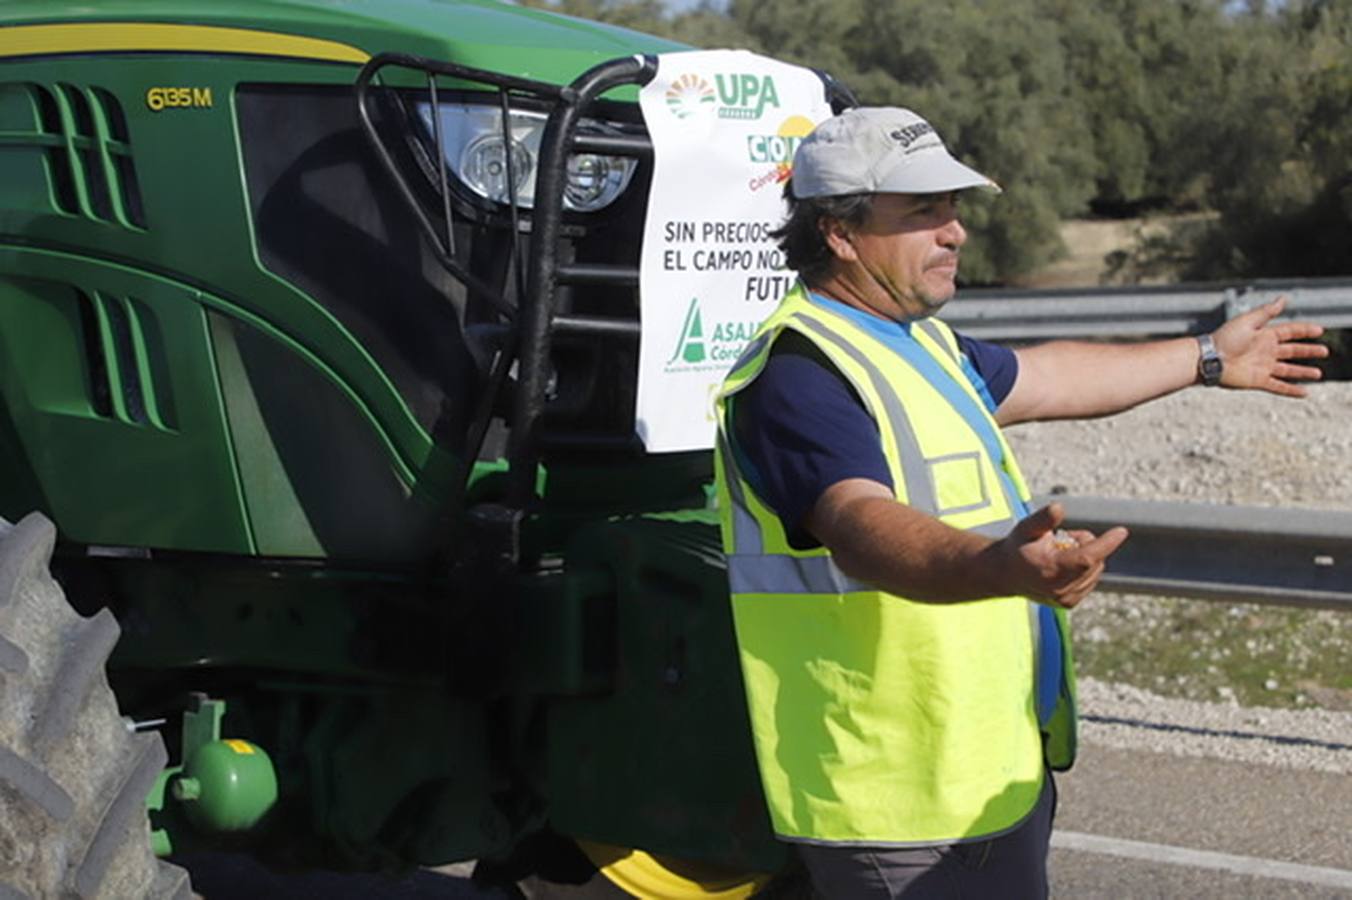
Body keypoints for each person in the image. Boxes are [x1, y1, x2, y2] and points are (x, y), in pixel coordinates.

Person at [712, 106, 1328, 898]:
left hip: (983, 770)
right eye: (924, 212)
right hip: (904, 797)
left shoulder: (917, 341)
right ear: (838, 231)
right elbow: (860, 526)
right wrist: (998, 565)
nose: (955, 232)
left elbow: (1051, 377)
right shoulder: (801, 373)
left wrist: (1206, 358)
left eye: (955, 208)